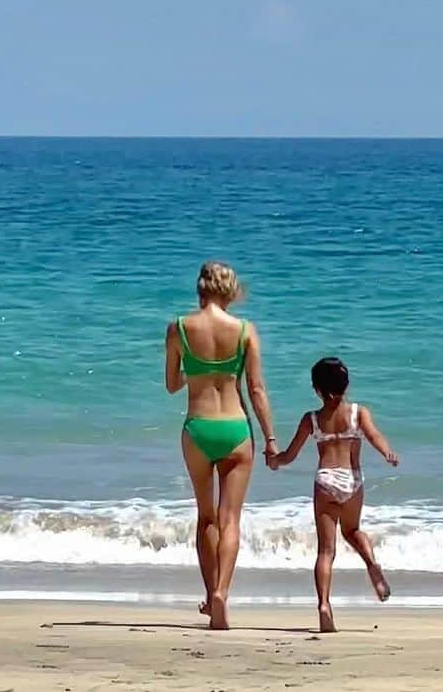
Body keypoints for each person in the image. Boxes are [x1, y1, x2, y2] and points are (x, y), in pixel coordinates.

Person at [165, 261, 277, 631]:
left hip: (197, 429)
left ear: (200, 290)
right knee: (231, 520)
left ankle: (209, 590)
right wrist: (271, 439)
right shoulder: (245, 330)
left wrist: (197, 370)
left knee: (206, 517)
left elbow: (171, 383)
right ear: (230, 292)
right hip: (234, 428)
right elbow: (257, 390)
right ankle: (222, 594)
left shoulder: (179, 328)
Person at [268, 356, 398, 633]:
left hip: (326, 480)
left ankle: (324, 605)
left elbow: (290, 455)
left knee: (326, 551)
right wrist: (386, 452)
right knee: (353, 530)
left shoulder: (312, 419)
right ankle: (372, 564)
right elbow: (374, 436)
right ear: (346, 384)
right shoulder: (358, 414)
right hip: (352, 480)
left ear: (316, 389)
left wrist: (275, 460)